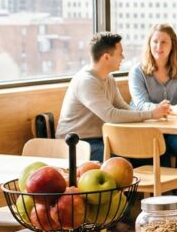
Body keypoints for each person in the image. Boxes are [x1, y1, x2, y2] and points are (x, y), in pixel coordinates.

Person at [58, 32, 170, 161]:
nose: (123, 57)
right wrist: (150, 114)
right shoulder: (86, 81)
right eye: (120, 53)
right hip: (76, 144)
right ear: (106, 57)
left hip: (102, 139)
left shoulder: (109, 78)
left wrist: (152, 115)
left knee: (157, 152)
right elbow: (110, 115)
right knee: (122, 161)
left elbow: (123, 107)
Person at [128, 24, 177, 169]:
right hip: (148, 130)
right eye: (155, 41)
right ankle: (167, 191)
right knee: (161, 154)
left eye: (164, 42)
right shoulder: (137, 72)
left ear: (172, 45)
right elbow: (141, 105)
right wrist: (171, 109)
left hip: (175, 130)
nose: (158, 46)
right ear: (149, 44)